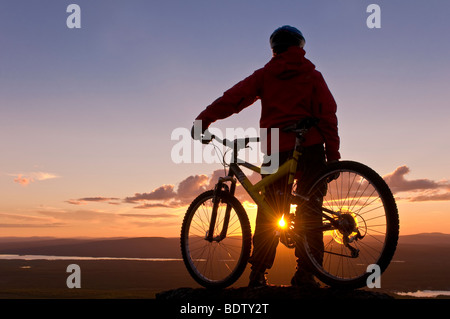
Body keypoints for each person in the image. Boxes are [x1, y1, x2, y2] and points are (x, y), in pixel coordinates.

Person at [191, 25, 340, 288]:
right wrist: (334, 154)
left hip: (276, 150)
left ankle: (258, 274)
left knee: (269, 212)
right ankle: (307, 274)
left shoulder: (265, 75)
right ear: (300, 47)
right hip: (312, 146)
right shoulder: (312, 75)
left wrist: (204, 120)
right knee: (311, 210)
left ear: (274, 49)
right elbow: (328, 114)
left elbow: (233, 98)